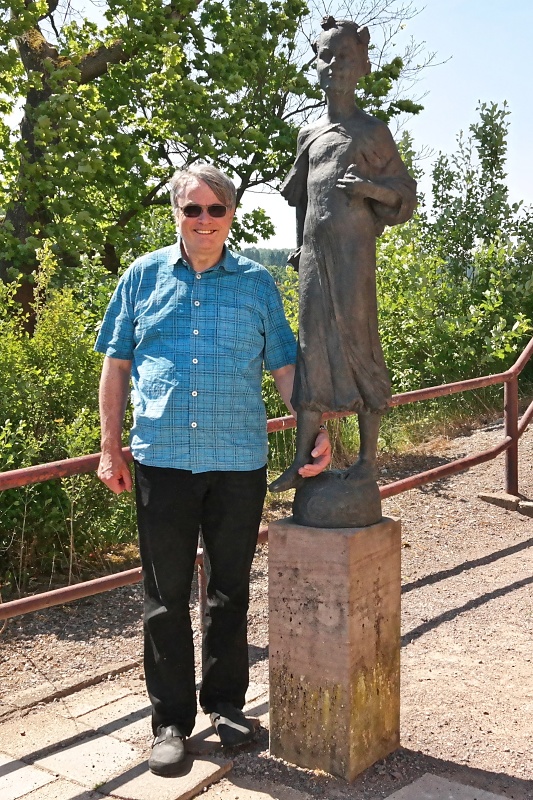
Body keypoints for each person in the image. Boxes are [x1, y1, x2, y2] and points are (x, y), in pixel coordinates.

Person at [94, 163, 331, 777]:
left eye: (215, 210)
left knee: (229, 590)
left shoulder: (256, 283)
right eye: (191, 209)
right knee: (164, 597)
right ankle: (170, 722)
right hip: (162, 461)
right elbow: (116, 365)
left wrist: (315, 430)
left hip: (237, 462)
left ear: (232, 215)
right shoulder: (142, 276)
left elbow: (283, 364)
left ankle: (226, 706)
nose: (203, 220)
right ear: (175, 213)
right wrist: (108, 447)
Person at [269, 16, 416, 494]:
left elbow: (404, 196)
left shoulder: (373, 132)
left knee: (359, 344)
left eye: (344, 57)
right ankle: (302, 461)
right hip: (314, 259)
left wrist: (370, 187)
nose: (334, 66)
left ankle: (369, 461)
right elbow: (301, 200)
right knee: (311, 351)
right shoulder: (308, 134)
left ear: (363, 65)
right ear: (316, 65)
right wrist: (298, 247)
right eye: (326, 56)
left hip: (354, 259)